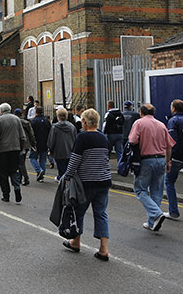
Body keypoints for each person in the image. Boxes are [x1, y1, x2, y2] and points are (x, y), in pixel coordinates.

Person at [60, 108, 112, 262]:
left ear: (84, 122)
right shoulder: (103, 138)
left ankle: (76, 242)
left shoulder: (82, 137)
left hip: (86, 182)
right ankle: (104, 249)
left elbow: (75, 160)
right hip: (103, 181)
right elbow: (105, 159)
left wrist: (67, 176)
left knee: (79, 212)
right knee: (101, 213)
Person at [128, 104, 175, 231]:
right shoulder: (161, 125)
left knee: (140, 190)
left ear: (141, 112)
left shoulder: (139, 123)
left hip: (146, 160)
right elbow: (169, 145)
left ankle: (157, 214)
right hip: (160, 160)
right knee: (157, 191)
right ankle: (151, 222)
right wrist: (168, 162)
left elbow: (132, 140)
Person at [0, 103, 27, 204]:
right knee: (14, 170)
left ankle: (6, 195)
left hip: (3, 150)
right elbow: (22, 135)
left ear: (1, 111)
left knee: (3, 173)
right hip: (15, 149)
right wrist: (20, 147)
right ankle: (17, 188)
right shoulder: (16, 119)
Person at [47, 107, 77, 178]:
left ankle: (63, 185)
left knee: (61, 170)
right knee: (68, 170)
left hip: (59, 152)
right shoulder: (72, 127)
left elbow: (51, 140)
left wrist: (50, 150)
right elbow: (75, 139)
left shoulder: (55, 127)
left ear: (58, 117)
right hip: (70, 151)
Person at [29, 106, 51, 182]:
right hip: (45, 142)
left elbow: (31, 133)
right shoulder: (46, 121)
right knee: (43, 159)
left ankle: (39, 170)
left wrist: (32, 143)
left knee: (32, 158)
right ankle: (41, 176)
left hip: (36, 143)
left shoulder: (33, 121)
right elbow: (50, 132)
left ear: (36, 112)